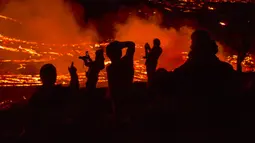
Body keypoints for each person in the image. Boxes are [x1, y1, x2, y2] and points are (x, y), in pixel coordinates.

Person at [24, 63, 79, 142]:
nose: (50, 77)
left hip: (57, 131)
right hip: (47, 132)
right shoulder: (37, 97)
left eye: (51, 74)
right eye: (48, 75)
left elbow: (73, 91)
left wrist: (74, 75)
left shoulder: (38, 96)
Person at [106, 41, 135, 120]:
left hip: (117, 97)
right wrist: (121, 44)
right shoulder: (127, 62)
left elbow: (112, 87)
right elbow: (131, 45)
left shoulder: (110, 68)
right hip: (128, 93)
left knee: (118, 116)